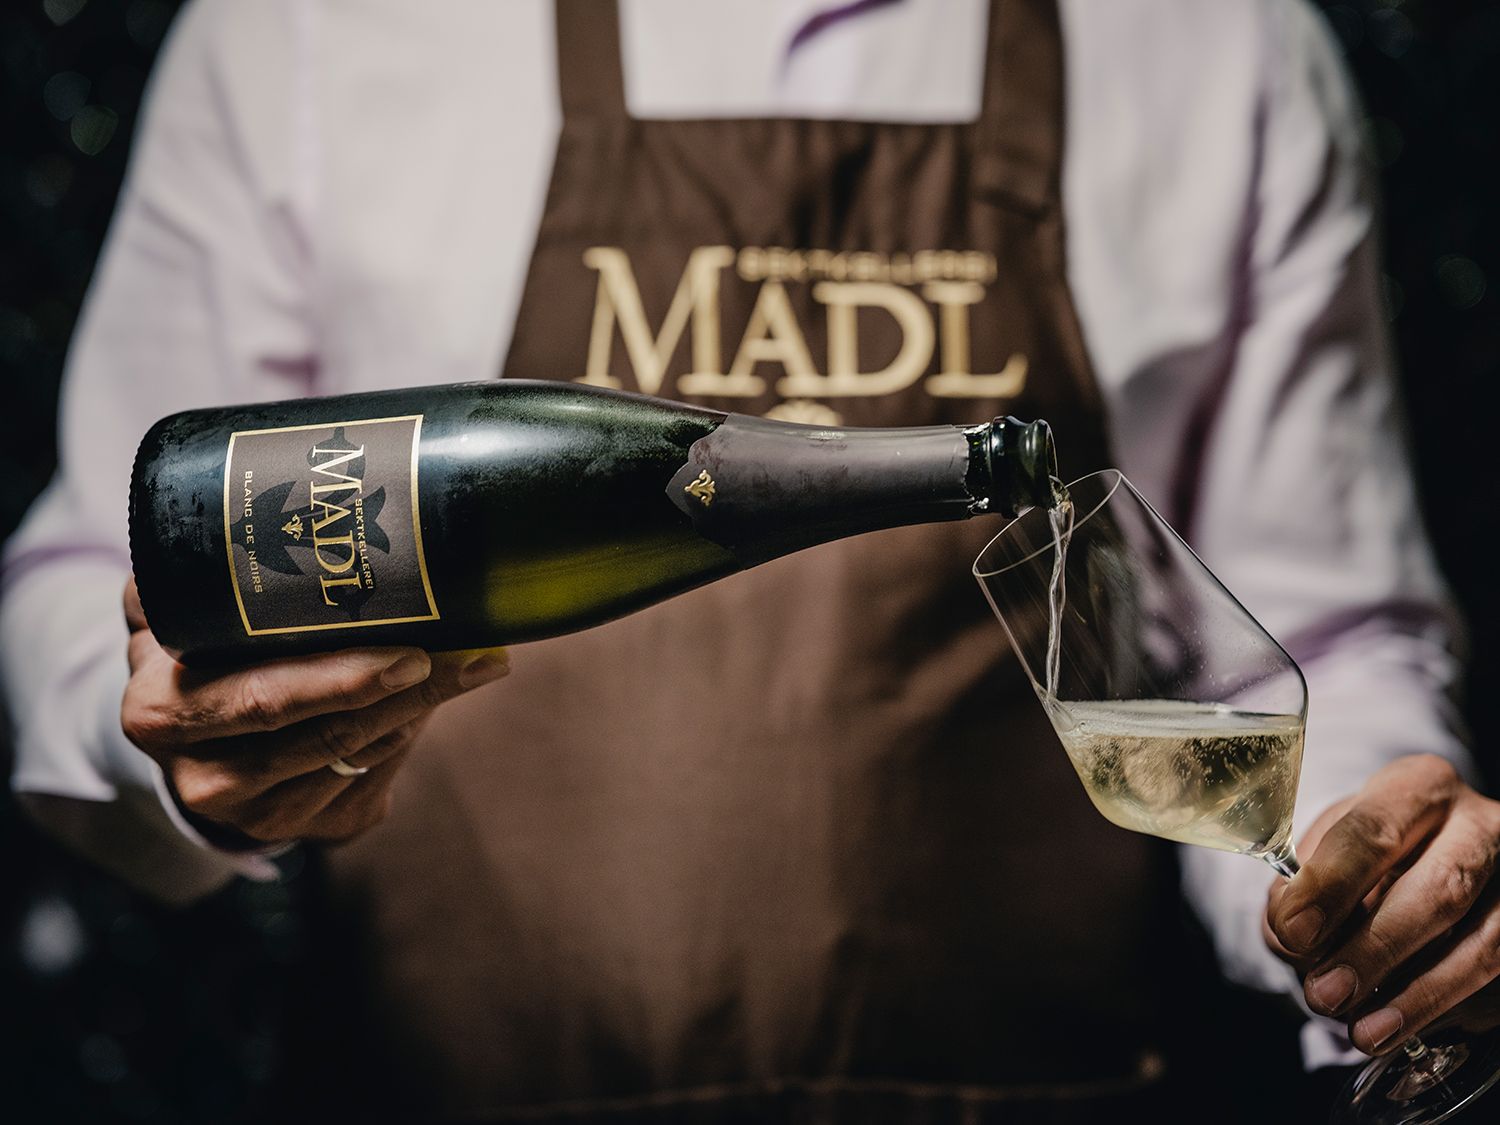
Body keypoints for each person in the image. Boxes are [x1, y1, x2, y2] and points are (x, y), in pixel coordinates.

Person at [3, 0, 1494, 1119]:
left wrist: (1385, 900)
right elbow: (92, 578)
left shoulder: (1212, 46)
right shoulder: (311, 32)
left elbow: (1332, 629)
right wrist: (191, 742)